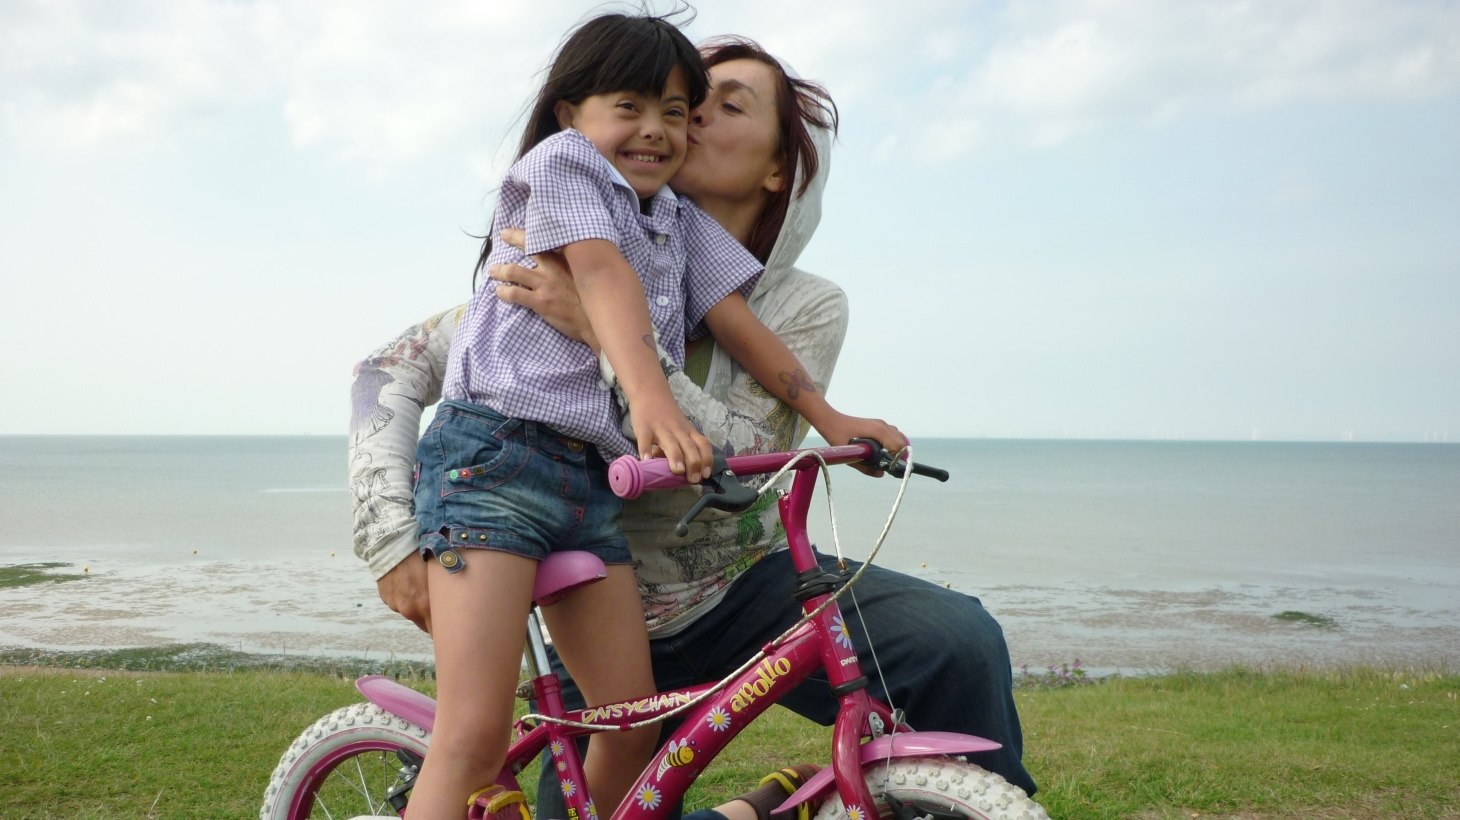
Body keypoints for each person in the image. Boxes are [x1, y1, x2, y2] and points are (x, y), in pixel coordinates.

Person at [349, 35, 1037, 817]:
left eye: (705, 106)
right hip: (571, 560)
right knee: (526, 764)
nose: (678, 122)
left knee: (958, 639)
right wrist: (390, 539)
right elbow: (385, 373)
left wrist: (607, 342)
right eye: (654, 101)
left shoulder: (791, 299)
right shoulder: (556, 253)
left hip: (739, 587)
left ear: (780, 167)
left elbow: (745, 456)